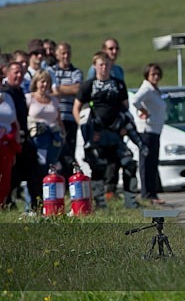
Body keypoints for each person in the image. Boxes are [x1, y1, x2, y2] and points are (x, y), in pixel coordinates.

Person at [73, 52, 140, 209]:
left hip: (115, 135)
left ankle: (131, 201)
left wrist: (124, 127)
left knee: (129, 163)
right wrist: (86, 130)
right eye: (101, 65)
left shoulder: (119, 84)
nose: (104, 68)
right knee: (98, 167)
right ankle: (100, 202)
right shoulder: (88, 85)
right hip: (96, 136)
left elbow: (125, 108)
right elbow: (76, 109)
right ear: (95, 66)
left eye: (106, 65)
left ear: (111, 65)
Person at [1, 61, 43, 210]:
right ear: (7, 74)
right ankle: (7, 203)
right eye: (15, 72)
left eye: (21, 72)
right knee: (11, 176)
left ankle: (36, 206)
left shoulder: (19, 92)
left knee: (34, 173)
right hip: (10, 141)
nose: (19, 75)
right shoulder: (5, 93)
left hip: (24, 140)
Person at [130, 63, 166, 205]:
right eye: (152, 74)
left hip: (155, 131)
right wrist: (143, 111)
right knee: (146, 163)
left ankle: (152, 193)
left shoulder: (154, 90)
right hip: (147, 131)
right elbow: (135, 100)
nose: (156, 77)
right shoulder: (146, 88)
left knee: (153, 163)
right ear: (147, 75)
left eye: (157, 74)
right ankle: (146, 193)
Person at [51, 42, 83, 174]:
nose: (66, 56)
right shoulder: (51, 70)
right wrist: (66, 89)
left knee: (70, 150)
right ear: (57, 55)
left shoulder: (76, 72)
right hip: (54, 118)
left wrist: (57, 89)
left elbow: (77, 88)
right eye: (63, 53)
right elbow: (48, 88)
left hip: (69, 117)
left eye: (68, 53)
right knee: (56, 153)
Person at [26, 70, 65, 172]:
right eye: (42, 81)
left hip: (54, 138)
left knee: (52, 165)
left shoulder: (54, 100)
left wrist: (63, 134)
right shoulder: (29, 98)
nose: (45, 84)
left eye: (47, 82)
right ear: (36, 82)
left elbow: (59, 119)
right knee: (38, 166)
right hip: (36, 138)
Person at [0, 90, 22, 206]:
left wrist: (15, 145)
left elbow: (15, 121)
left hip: (7, 143)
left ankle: (2, 205)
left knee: (5, 180)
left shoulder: (7, 98)